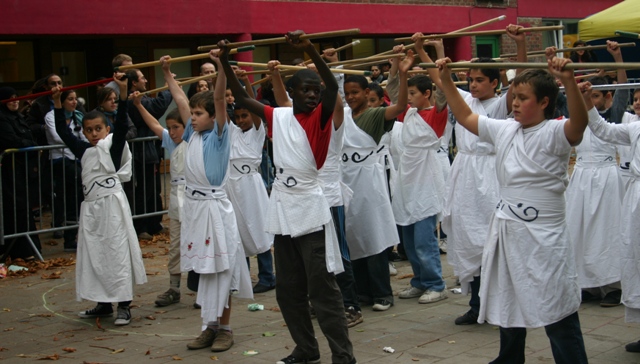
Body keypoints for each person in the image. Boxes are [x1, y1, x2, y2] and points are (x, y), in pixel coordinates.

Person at [436, 52, 590, 363]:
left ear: (545, 102)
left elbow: (579, 124)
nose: (515, 103)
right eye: (514, 97)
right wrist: (447, 79)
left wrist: (569, 82)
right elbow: (465, 116)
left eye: (523, 98)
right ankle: (509, 357)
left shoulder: (555, 132)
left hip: (544, 235)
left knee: (556, 306)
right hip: (507, 228)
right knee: (508, 296)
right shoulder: (505, 129)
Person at [220, 31, 356, 364]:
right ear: (291, 93)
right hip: (282, 206)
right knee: (288, 290)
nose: (312, 95)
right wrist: (224, 60)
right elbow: (240, 97)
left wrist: (309, 48)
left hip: (310, 206)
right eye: (305, 90)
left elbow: (333, 87)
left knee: (322, 290)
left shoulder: (320, 118)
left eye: (315, 90)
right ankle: (307, 349)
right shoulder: (278, 116)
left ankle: (343, 356)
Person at [441, 24, 527, 326]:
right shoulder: (467, 101)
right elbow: (445, 83)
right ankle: (476, 304)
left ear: (495, 82)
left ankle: (500, 304)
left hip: (489, 177)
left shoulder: (502, 105)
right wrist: (434, 53)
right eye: (470, 79)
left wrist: (519, 45)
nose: (473, 84)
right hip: (464, 176)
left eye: (479, 80)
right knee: (468, 239)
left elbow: (521, 80)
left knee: (491, 240)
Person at [53, 74, 146, 326]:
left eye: (98, 129)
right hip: (92, 211)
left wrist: (124, 92)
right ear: (84, 131)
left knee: (116, 253)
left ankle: (124, 305)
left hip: (112, 208)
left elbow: (125, 125)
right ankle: (103, 303)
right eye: (89, 130)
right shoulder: (83, 151)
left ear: (107, 130)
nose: (94, 134)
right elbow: (62, 130)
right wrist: (57, 102)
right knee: (96, 254)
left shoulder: (113, 147)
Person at [180, 51, 252, 353]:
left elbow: (220, 99)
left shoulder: (220, 135)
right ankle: (207, 327)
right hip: (195, 211)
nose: (193, 118)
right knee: (203, 271)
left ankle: (224, 328)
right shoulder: (192, 133)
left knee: (221, 270)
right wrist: (169, 74)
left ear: (213, 117)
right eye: (193, 114)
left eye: (199, 114)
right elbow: (181, 102)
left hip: (215, 210)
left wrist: (222, 66)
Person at [341, 51, 413, 312]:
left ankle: (383, 293)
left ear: (366, 92)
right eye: (347, 93)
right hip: (346, 183)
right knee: (353, 237)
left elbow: (400, 106)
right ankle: (362, 293)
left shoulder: (374, 115)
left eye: (355, 93)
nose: (351, 98)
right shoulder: (343, 116)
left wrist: (402, 74)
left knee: (374, 237)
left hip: (369, 184)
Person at [565, 41, 627, 307]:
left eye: (597, 96)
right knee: (580, 231)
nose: (592, 100)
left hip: (607, 179)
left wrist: (617, 57)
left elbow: (623, 90)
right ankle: (587, 283)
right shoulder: (577, 117)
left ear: (608, 98)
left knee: (608, 231)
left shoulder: (614, 116)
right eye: (589, 96)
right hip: (581, 178)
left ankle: (614, 284)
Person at [393, 32, 449, 305]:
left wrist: (431, 52)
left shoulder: (435, 113)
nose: (410, 97)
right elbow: (394, 92)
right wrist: (399, 67)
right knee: (409, 239)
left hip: (425, 178)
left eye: (415, 93)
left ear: (427, 93)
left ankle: (436, 283)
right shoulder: (409, 112)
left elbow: (443, 85)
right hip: (406, 179)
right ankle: (419, 281)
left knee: (425, 240)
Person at [583, 85, 640, 354]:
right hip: (635, 199)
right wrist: (584, 99)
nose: (637, 104)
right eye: (637, 99)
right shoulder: (634, 128)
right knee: (635, 258)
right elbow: (602, 129)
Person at [131, 56, 190, 307]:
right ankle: (174, 288)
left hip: (196, 199)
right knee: (175, 245)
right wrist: (138, 105)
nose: (173, 131)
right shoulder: (170, 142)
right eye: (171, 127)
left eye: (177, 127)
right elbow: (154, 125)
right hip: (177, 201)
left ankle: (210, 287)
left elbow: (182, 103)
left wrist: (166, 74)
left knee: (200, 243)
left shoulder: (193, 140)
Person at [125, 67, 173, 240]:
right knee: (143, 190)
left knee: (154, 189)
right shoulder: (131, 100)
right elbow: (156, 108)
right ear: (133, 83)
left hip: (150, 150)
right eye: (142, 78)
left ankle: (154, 223)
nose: (145, 80)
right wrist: (169, 89)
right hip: (140, 152)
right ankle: (141, 226)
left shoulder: (140, 97)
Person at [0, 87, 42, 260]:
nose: (15, 101)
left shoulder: (17, 117)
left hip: (22, 170)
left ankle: (29, 249)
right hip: (8, 172)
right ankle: (19, 250)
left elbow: (28, 139)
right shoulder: (2, 119)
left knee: (24, 208)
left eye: (16, 98)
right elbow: (12, 140)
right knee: (14, 208)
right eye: (10, 99)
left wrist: (29, 146)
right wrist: (28, 146)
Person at [44, 88, 85, 252]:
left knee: (76, 199)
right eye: (70, 99)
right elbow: (58, 136)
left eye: (75, 99)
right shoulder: (51, 116)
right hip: (60, 160)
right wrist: (74, 141)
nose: (74, 102)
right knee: (66, 198)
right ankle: (66, 235)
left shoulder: (78, 116)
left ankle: (73, 237)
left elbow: (83, 136)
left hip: (76, 159)